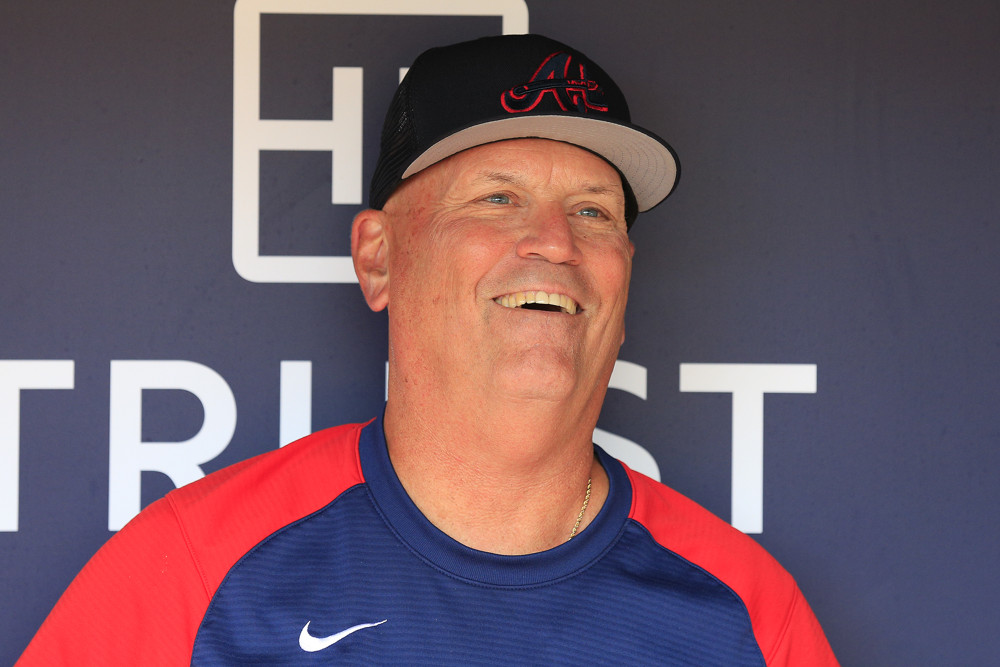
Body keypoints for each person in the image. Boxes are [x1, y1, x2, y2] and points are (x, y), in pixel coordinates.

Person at [18, 34, 838, 665]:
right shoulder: (197, 571)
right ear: (379, 258)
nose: (555, 243)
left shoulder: (747, 614)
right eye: (498, 198)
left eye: (593, 211)